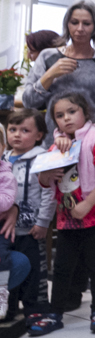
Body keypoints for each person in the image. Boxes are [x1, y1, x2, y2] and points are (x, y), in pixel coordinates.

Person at [32, 93, 95, 336]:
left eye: (72, 112)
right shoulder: (56, 145)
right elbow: (45, 181)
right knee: (61, 266)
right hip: (67, 217)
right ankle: (55, 314)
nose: (66, 118)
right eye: (60, 115)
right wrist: (46, 176)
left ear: (85, 112)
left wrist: (87, 205)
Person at [22, 0, 95, 143]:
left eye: (86, 23)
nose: (80, 28)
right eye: (74, 22)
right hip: (56, 144)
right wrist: (50, 75)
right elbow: (28, 102)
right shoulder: (48, 57)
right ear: (67, 24)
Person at [1, 108, 54, 323]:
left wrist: (43, 222)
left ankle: (36, 309)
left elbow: (49, 193)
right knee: (7, 266)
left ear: (39, 135)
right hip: (6, 228)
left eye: (25, 130)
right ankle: (9, 308)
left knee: (34, 270)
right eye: (12, 129)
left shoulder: (42, 158)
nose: (16, 135)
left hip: (31, 228)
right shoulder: (3, 157)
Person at [0, 136, 32, 320]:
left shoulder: (5, 174)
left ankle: (2, 291)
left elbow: (7, 200)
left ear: (3, 147)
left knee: (8, 259)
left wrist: (14, 209)